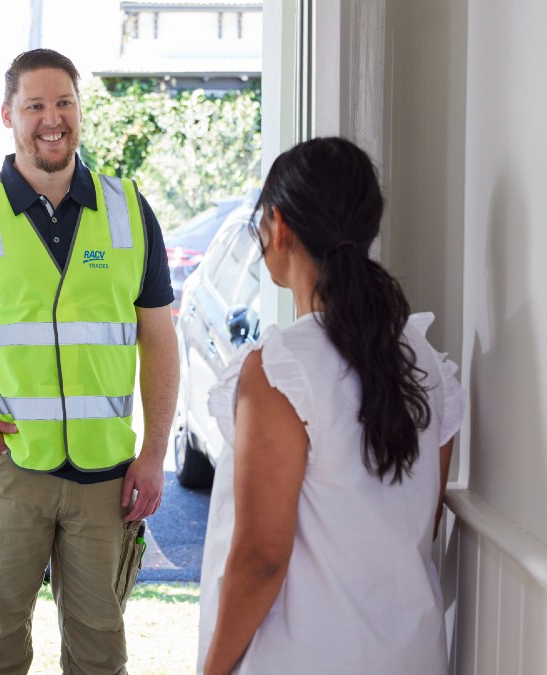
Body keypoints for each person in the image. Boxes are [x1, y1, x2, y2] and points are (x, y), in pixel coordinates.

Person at [0, 48, 179, 674]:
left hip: (105, 479)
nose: (51, 118)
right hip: (6, 472)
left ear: (80, 111)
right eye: (34, 105)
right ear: (8, 115)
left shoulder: (129, 210)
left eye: (63, 102)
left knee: (99, 653)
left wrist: (154, 453)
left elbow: (159, 339)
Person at [198, 137, 464, 675]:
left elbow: (261, 557)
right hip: (410, 655)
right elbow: (420, 524)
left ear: (278, 226)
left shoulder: (282, 369)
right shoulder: (426, 365)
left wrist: (213, 671)